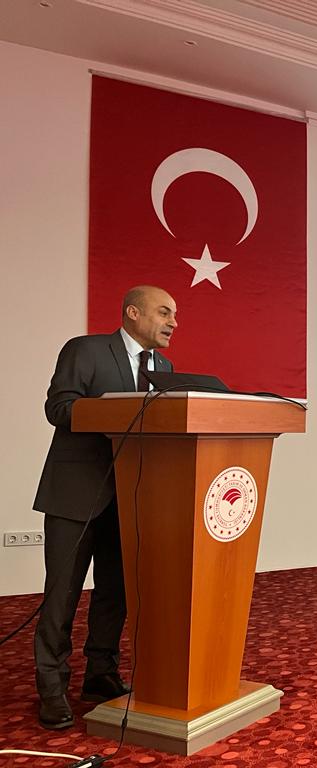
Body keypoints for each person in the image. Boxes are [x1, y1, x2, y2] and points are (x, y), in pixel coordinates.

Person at [33, 285, 177, 729]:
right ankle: (52, 687)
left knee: (115, 593)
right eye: (164, 313)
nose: (173, 323)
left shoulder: (164, 368)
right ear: (133, 312)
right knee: (62, 596)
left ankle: (100, 674)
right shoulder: (86, 350)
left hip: (131, 498)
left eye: (174, 316)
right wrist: (118, 413)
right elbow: (59, 408)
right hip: (75, 495)